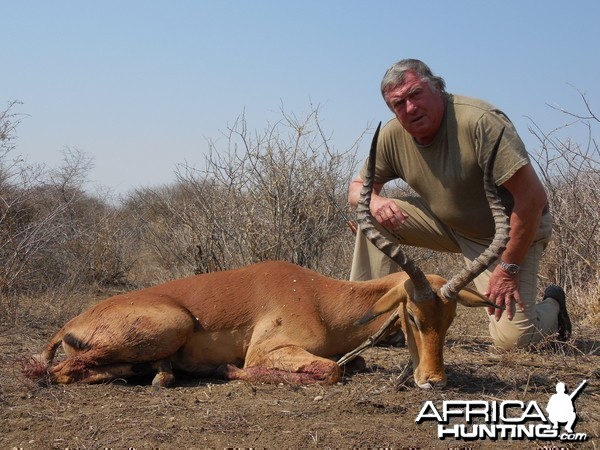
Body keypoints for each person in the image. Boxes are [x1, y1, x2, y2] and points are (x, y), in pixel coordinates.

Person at [348, 59, 571, 350]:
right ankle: (372, 321)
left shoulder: (480, 122)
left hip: (506, 234)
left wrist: (508, 268)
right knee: (371, 213)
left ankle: (553, 306)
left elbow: (532, 199)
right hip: (447, 224)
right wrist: (376, 202)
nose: (410, 108)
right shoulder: (393, 134)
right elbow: (356, 190)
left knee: (513, 341)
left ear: (438, 88)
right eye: (398, 103)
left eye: (416, 94)